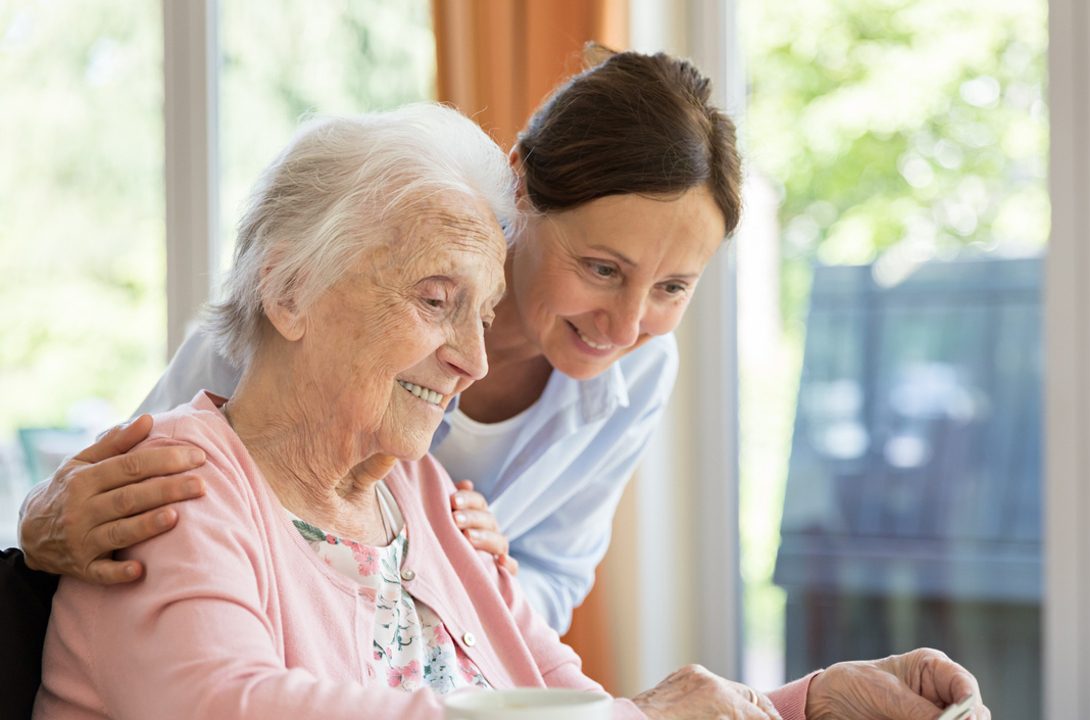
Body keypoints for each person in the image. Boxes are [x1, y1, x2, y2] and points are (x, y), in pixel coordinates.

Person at [35, 104, 987, 720]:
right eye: (435, 300)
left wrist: (796, 706)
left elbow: (571, 701)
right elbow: (228, 702)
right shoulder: (172, 487)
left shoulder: (430, 504)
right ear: (290, 293)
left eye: (483, 313)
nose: (474, 358)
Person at [21, 49, 732, 634]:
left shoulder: (638, 375)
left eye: (673, 287)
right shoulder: (336, 293)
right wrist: (36, 528)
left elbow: (555, 575)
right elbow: (121, 485)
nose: (628, 323)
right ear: (519, 185)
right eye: (602, 269)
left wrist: (488, 576)